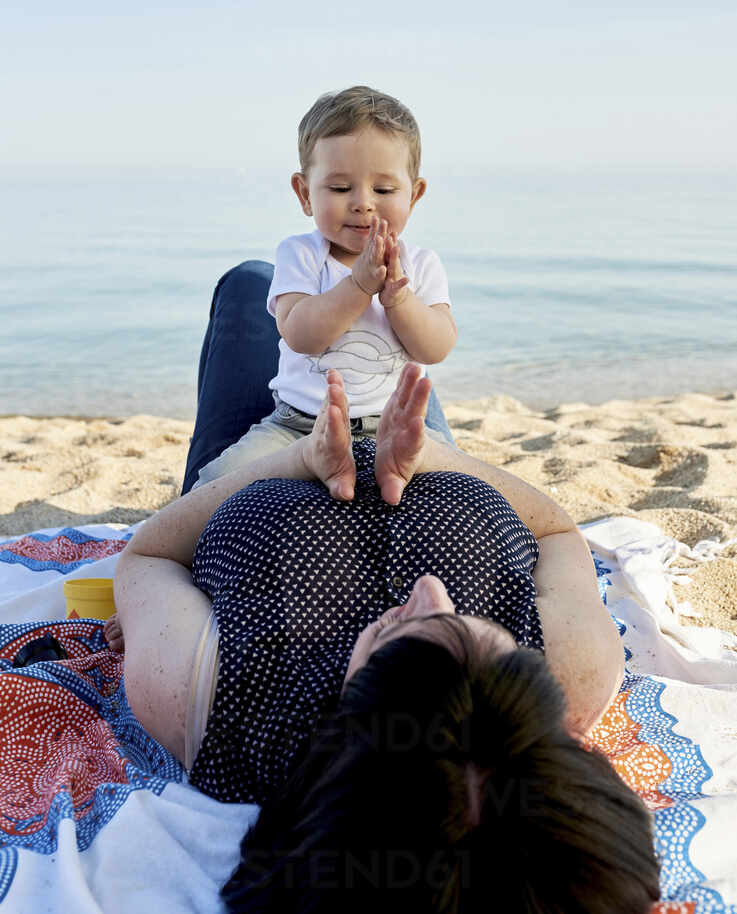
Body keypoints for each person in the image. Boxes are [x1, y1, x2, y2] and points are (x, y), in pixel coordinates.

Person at [111, 267, 661, 911]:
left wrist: (294, 460)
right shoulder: (572, 670)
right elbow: (557, 534)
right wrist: (427, 455)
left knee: (248, 286)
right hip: (420, 446)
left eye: (397, 635)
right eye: (488, 643)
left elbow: (146, 556)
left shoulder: (210, 705)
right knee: (386, 324)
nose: (432, 591)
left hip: (253, 460)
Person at [192, 85, 458, 492]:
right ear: (304, 194)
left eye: (384, 190)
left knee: (467, 483)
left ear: (415, 194)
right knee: (214, 484)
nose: (363, 203)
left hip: (395, 426)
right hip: (298, 426)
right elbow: (300, 334)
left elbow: (436, 347)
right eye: (339, 188)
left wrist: (399, 298)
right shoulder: (301, 254)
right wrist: (357, 286)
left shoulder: (420, 264)